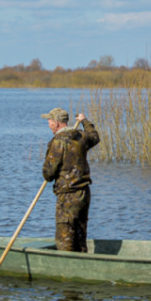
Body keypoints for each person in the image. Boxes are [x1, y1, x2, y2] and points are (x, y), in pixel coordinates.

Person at [41, 107, 100, 253]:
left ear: (57, 123)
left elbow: (48, 173)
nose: (49, 124)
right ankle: (81, 261)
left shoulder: (58, 142)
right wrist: (84, 121)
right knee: (80, 236)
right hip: (84, 194)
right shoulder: (81, 137)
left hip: (68, 195)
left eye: (50, 121)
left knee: (65, 237)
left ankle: (66, 263)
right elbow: (94, 136)